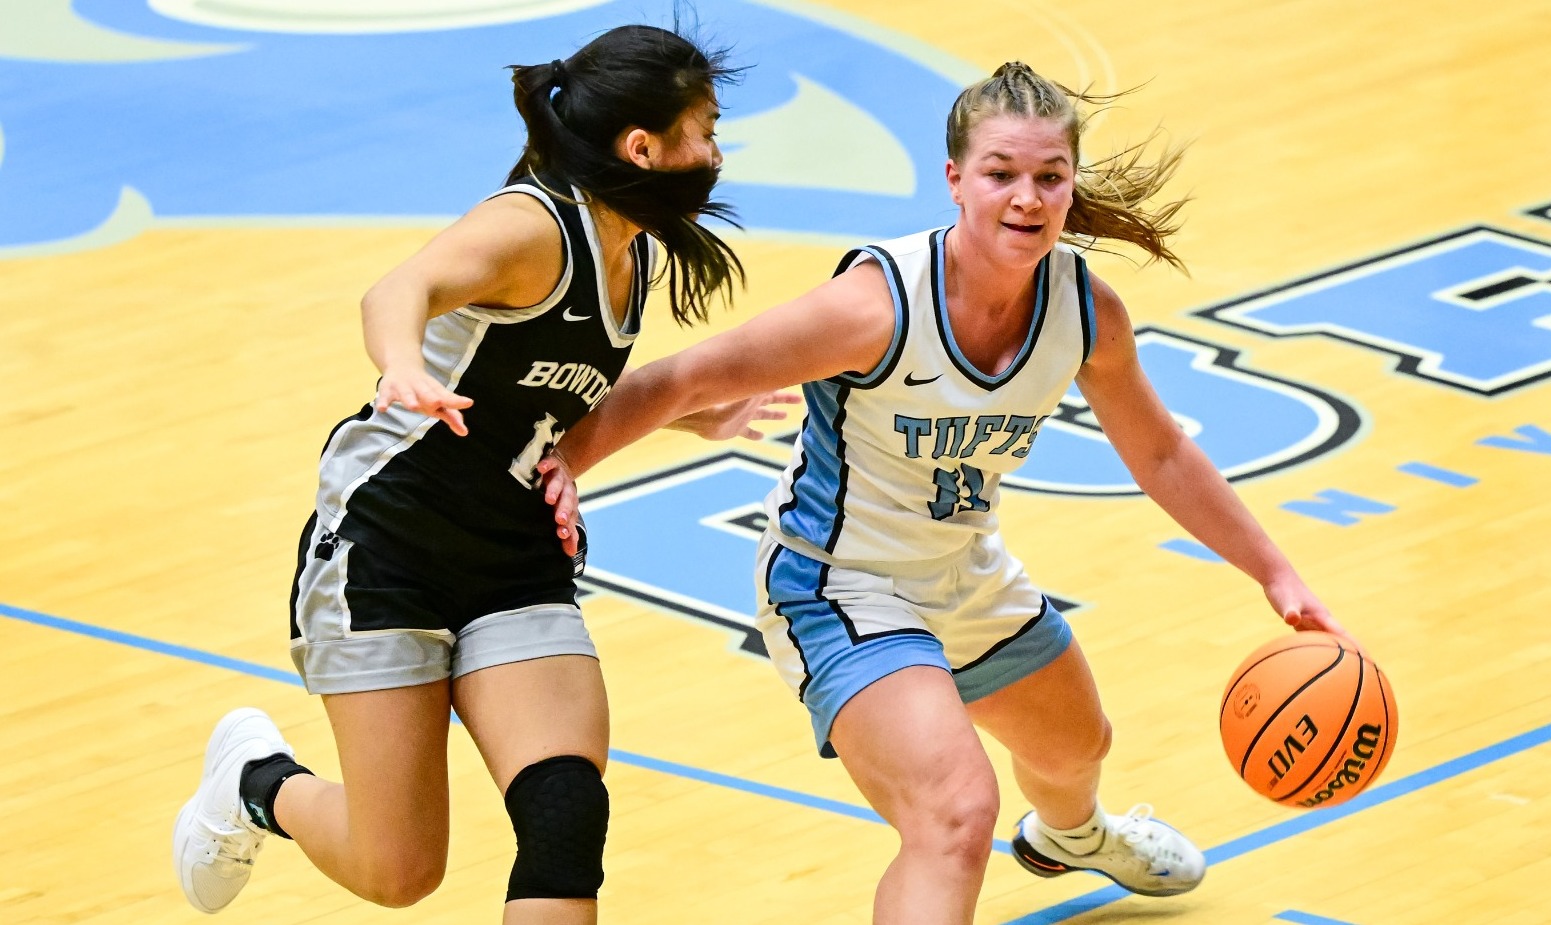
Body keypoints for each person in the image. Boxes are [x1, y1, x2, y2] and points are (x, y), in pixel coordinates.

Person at [535, 61, 1355, 924]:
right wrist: (566, 465)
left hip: (963, 569)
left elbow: (1161, 453)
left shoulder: (1086, 312)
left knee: (1079, 747)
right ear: (956, 179)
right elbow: (680, 379)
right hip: (838, 584)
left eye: (1050, 177)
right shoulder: (877, 306)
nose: (1027, 199)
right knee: (956, 814)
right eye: (1001, 174)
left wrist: (1275, 571)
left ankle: (1074, 835)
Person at [171, 24, 794, 923]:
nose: (716, 152)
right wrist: (401, 364)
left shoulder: (635, 250)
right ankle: (256, 782)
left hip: (514, 556)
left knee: (565, 812)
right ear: (643, 147)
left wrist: (689, 411)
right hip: (390, 546)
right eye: (706, 130)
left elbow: (551, 400)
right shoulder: (532, 226)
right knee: (398, 870)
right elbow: (398, 290)